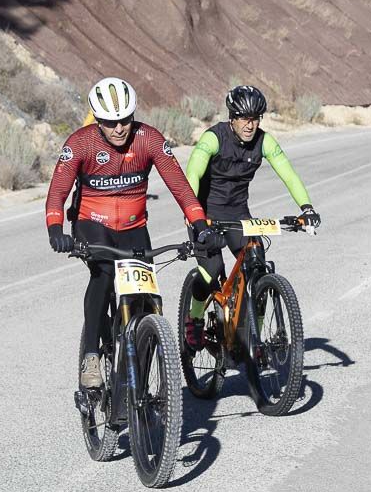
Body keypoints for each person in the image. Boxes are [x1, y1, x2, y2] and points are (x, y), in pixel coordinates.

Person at [46, 77, 222, 389]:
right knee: (101, 275)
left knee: (149, 297)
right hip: (92, 224)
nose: (118, 129)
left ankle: (142, 366)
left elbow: (180, 187)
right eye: (110, 122)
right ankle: (91, 357)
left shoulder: (149, 139)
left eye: (125, 120)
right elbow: (58, 191)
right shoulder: (81, 143)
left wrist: (200, 225)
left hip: (133, 227)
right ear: (98, 120)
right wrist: (56, 230)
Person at [181, 85, 318, 349]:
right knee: (211, 272)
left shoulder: (264, 141)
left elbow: (288, 174)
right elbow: (193, 174)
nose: (250, 125)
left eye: (255, 118)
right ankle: (195, 317)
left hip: (238, 214)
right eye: (244, 118)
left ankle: (253, 337)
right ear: (232, 118)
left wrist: (306, 208)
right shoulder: (214, 138)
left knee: (257, 265)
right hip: (205, 214)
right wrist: (192, 211)